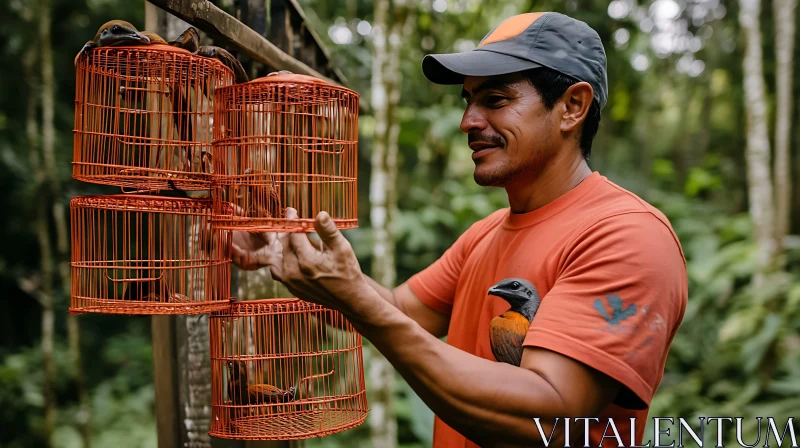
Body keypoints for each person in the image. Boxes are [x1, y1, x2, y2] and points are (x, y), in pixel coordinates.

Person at [231, 11, 688, 448]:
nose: (469, 121)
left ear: (572, 107)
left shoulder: (627, 236)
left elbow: (549, 415)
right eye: (469, 101)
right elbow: (397, 310)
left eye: (495, 100)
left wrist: (359, 302)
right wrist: (293, 246)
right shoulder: (486, 233)